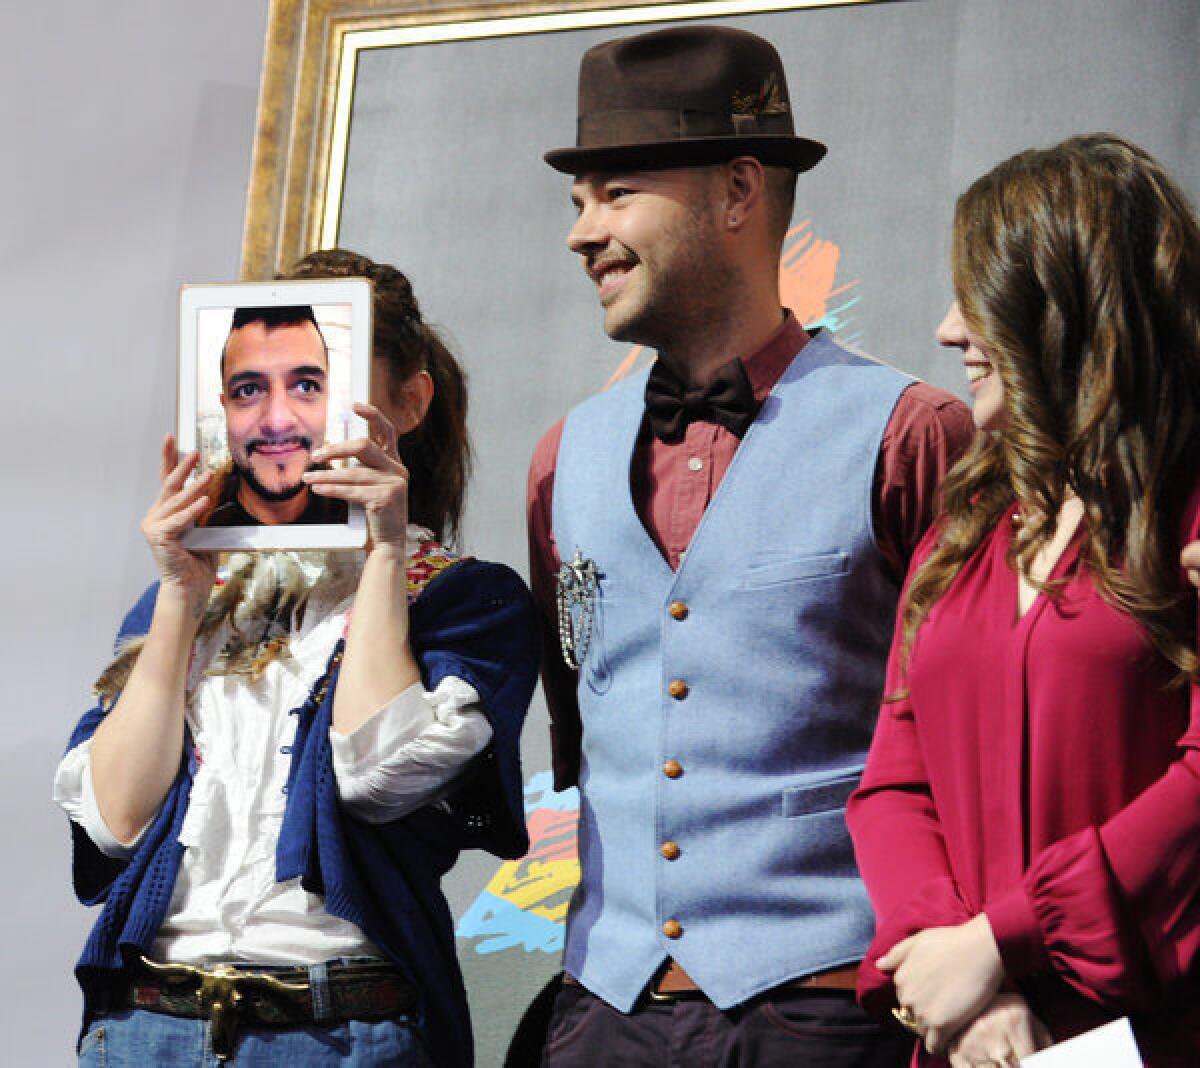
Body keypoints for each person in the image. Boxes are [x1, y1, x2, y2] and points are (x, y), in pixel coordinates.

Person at [526, 24, 974, 1066]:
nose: (581, 234)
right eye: (576, 201)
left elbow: (968, 747)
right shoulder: (562, 458)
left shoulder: (911, 434)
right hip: (604, 1009)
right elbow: (583, 722)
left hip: (831, 1010)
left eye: (617, 191)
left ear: (737, 193)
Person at [55, 248, 540, 1067]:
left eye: (311, 383)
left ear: (409, 400)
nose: (277, 418)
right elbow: (114, 821)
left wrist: (385, 551)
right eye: (250, 388)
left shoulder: (464, 598)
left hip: (338, 1031)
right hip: (146, 1026)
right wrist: (180, 590)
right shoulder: (183, 600)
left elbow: (376, 779)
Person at [846, 134, 1200, 1067]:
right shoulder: (965, 529)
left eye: (978, 299)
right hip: (974, 1033)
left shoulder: (1188, 511)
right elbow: (893, 781)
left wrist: (1000, 938)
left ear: (1069, 308)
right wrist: (957, 974)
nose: (947, 331)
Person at [206, 304, 347, 527]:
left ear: (326, 399)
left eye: (305, 386)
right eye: (248, 390)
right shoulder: (197, 530)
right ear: (225, 407)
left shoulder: (363, 526)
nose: (277, 422)